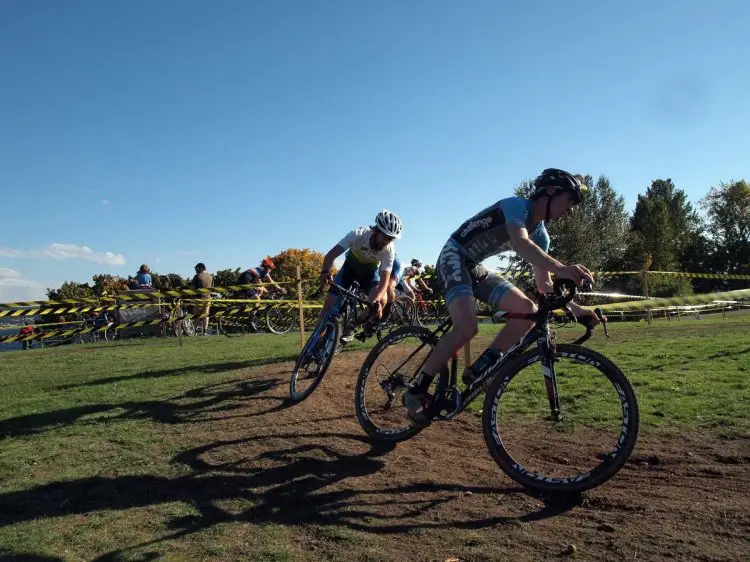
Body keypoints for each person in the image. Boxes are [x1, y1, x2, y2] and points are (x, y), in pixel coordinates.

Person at [403, 168, 598, 424]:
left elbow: (544, 285)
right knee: (467, 327)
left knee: (527, 309)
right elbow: (520, 243)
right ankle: (416, 389)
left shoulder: (541, 235)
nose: (571, 210)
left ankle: (482, 367)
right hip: (454, 255)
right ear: (550, 192)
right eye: (570, 201)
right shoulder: (515, 206)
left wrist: (579, 310)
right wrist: (562, 267)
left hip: (474, 267)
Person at [318, 209, 403, 339]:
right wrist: (325, 272)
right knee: (327, 310)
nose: (387, 241)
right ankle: (314, 343)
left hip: (369, 275)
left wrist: (377, 300)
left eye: (391, 239)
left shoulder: (389, 250)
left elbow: (385, 280)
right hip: (348, 271)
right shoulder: (358, 234)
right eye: (386, 237)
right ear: (376, 231)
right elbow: (331, 255)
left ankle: (354, 325)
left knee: (382, 299)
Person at [191, 263, 214, 335]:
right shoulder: (211, 277)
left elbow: (192, 287)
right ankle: (205, 331)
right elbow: (212, 288)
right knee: (206, 315)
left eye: (196, 268)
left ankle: (195, 331)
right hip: (208, 298)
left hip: (199, 298)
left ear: (201, 268)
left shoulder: (197, 276)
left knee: (196, 315)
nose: (195, 269)